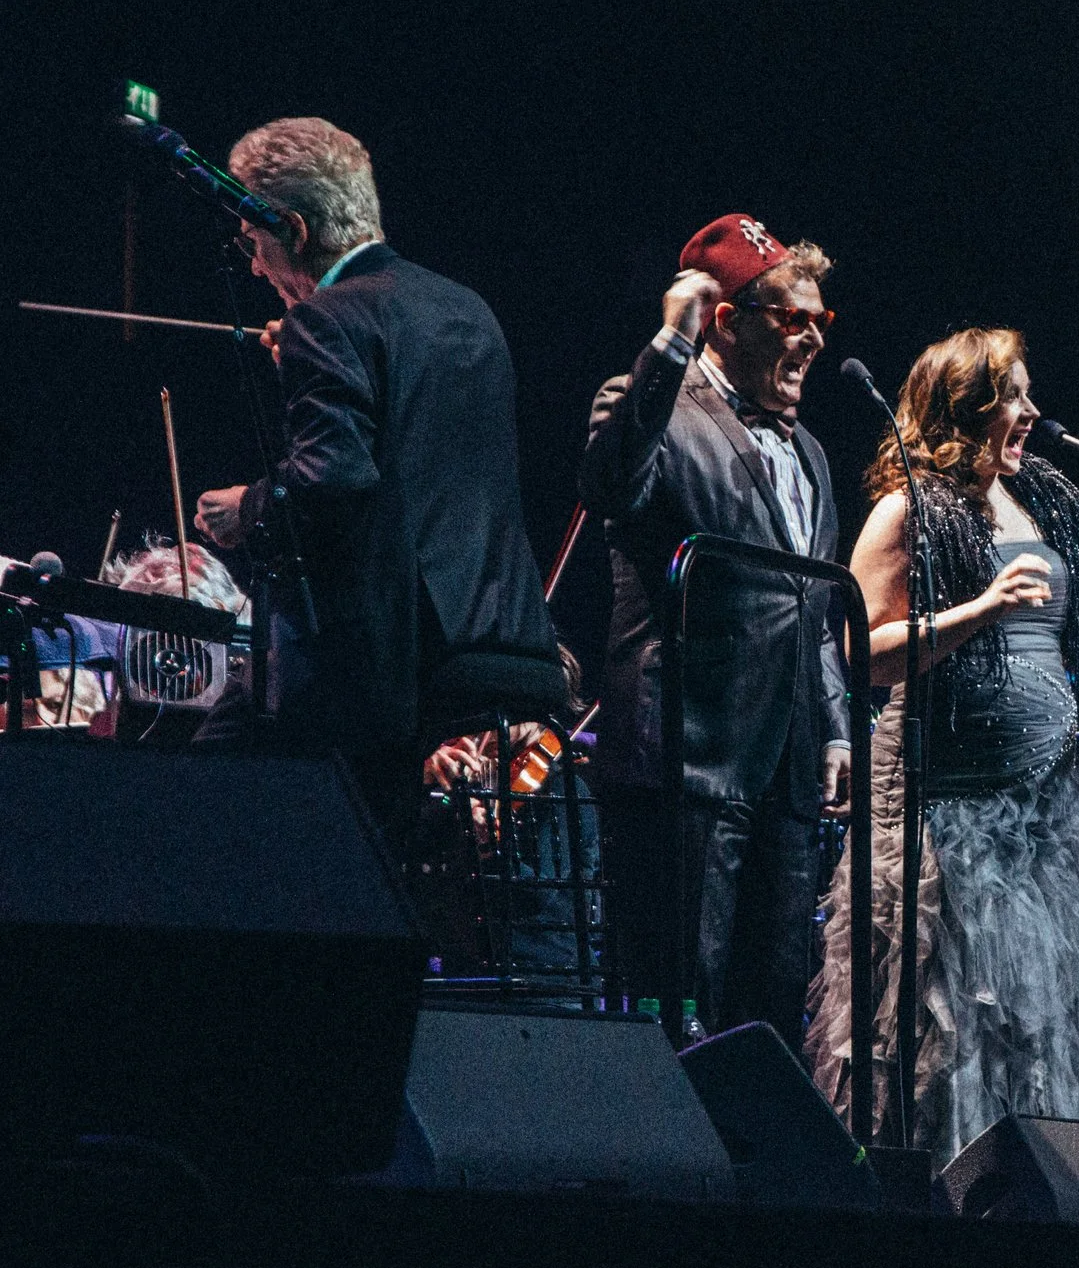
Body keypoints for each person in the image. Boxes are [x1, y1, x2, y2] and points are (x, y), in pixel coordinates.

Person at [807, 327, 1079, 1166]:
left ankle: (1036, 1186)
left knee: (1036, 1020)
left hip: (1043, 814)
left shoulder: (1035, 503)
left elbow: (1062, 643)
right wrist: (978, 609)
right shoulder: (909, 507)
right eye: (1012, 394)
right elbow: (863, 652)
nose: (1030, 410)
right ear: (965, 406)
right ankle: (943, 1185)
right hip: (947, 810)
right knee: (955, 1017)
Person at [191, 117, 562, 829]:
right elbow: (413, 457)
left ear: (295, 231)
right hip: (510, 644)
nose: (254, 266)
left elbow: (332, 483)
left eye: (252, 242)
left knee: (213, 784)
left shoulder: (326, 320)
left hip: (399, 660)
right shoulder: (467, 307)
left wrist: (249, 507)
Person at [579, 214, 849, 1048]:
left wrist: (836, 726)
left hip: (784, 771)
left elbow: (813, 608)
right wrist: (669, 343)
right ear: (726, 320)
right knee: (677, 999)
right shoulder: (651, 403)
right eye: (793, 318)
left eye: (821, 320)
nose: (814, 339)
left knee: (769, 1003)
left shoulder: (810, 452)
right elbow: (611, 485)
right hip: (688, 763)